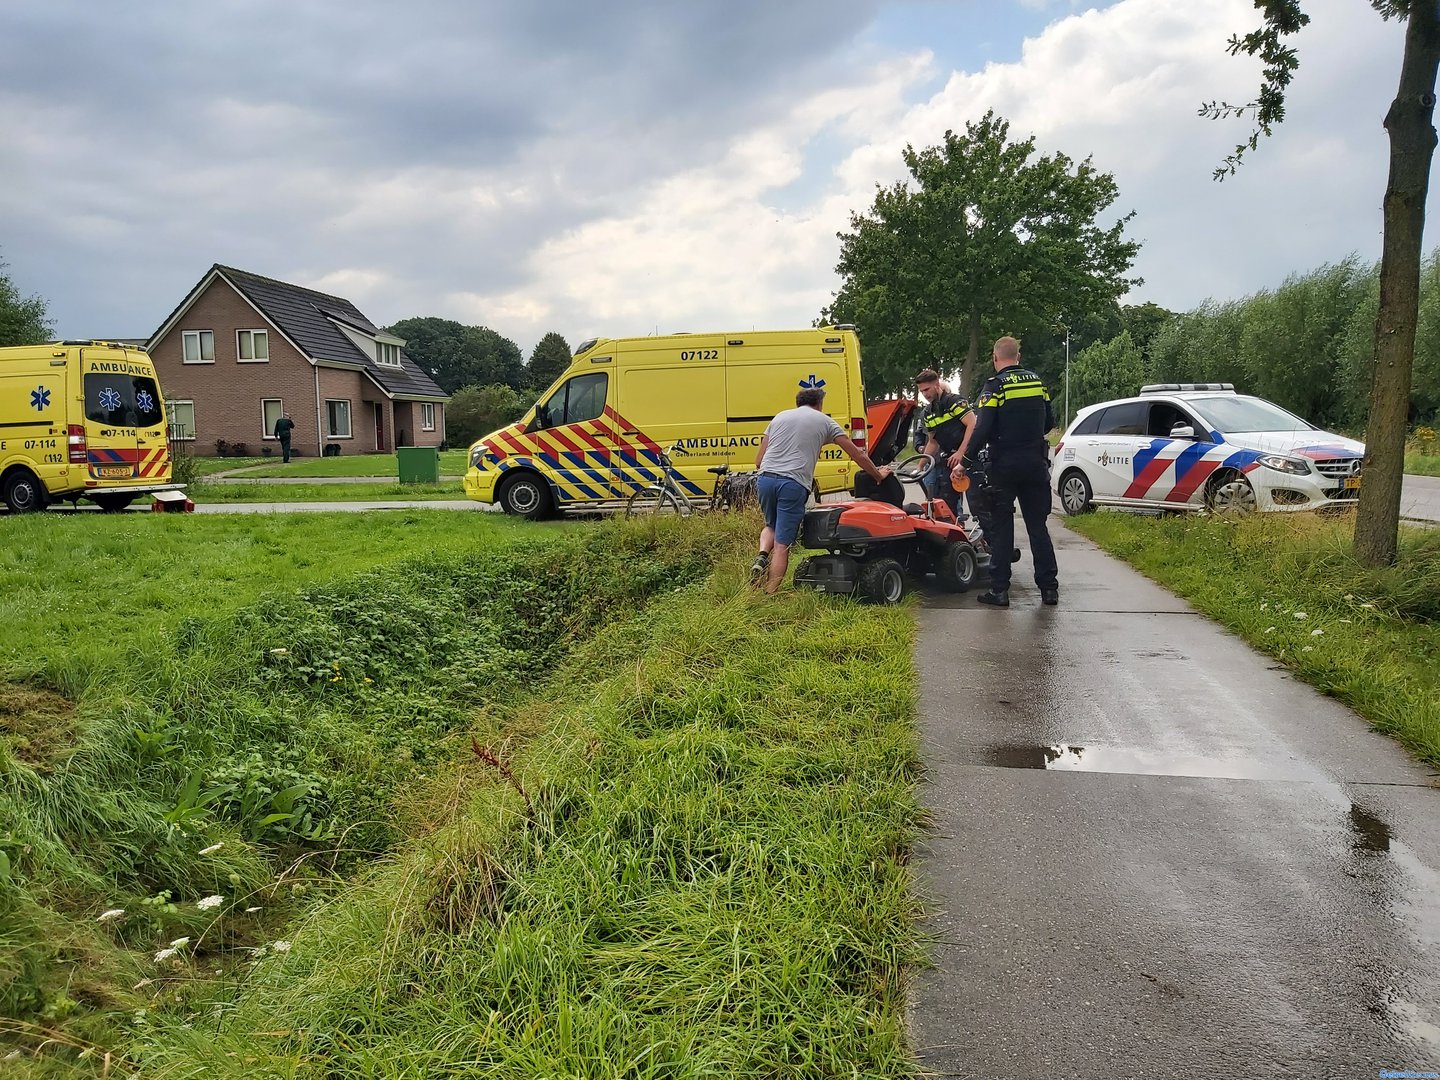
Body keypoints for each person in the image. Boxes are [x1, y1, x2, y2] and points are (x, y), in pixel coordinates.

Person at [752, 387, 892, 594]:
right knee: (782, 545)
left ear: (798, 402)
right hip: (792, 483)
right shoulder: (825, 421)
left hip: (765, 479)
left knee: (770, 525)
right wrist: (878, 474)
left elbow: (758, 461)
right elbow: (858, 455)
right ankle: (770, 593)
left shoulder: (779, 418)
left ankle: (762, 554)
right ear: (819, 404)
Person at [952, 336, 1058, 607]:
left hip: (1004, 466)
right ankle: (1049, 590)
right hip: (1035, 464)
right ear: (1018, 356)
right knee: (1038, 527)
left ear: (995, 358)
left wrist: (965, 460)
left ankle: (999, 591)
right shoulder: (1037, 383)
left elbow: (982, 428)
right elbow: (1050, 421)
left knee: (1002, 527)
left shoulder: (994, 386)